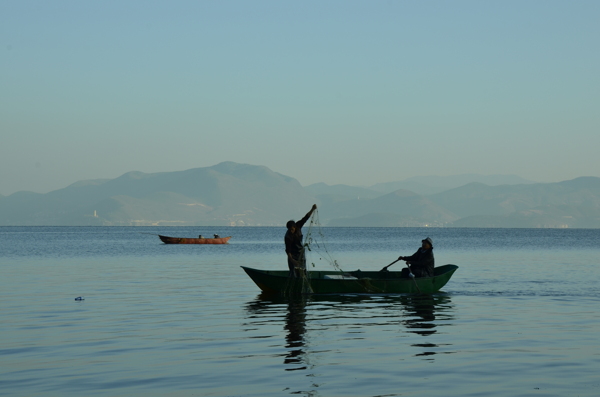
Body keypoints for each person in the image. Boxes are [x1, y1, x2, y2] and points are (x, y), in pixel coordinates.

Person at [285, 204, 317, 277]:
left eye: (292, 229)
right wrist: (293, 260)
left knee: (302, 272)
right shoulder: (287, 237)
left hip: (301, 253)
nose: (291, 231)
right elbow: (288, 250)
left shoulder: (298, 225)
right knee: (293, 273)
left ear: (294, 227)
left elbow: (306, 217)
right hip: (292, 255)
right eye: (289, 230)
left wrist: (312, 209)